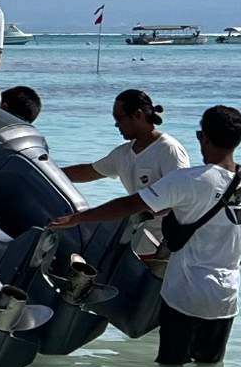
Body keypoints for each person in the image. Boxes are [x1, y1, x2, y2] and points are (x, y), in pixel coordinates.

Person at [51, 105, 241, 367]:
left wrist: (78, 218)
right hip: (225, 296)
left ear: (204, 137)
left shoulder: (188, 180)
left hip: (186, 293)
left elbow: (130, 205)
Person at [60, 89, 190, 255]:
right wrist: (47, 173)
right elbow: (88, 171)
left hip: (166, 247)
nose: (116, 125)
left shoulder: (169, 149)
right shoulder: (123, 153)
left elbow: (181, 197)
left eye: (119, 119)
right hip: (136, 243)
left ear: (138, 115)